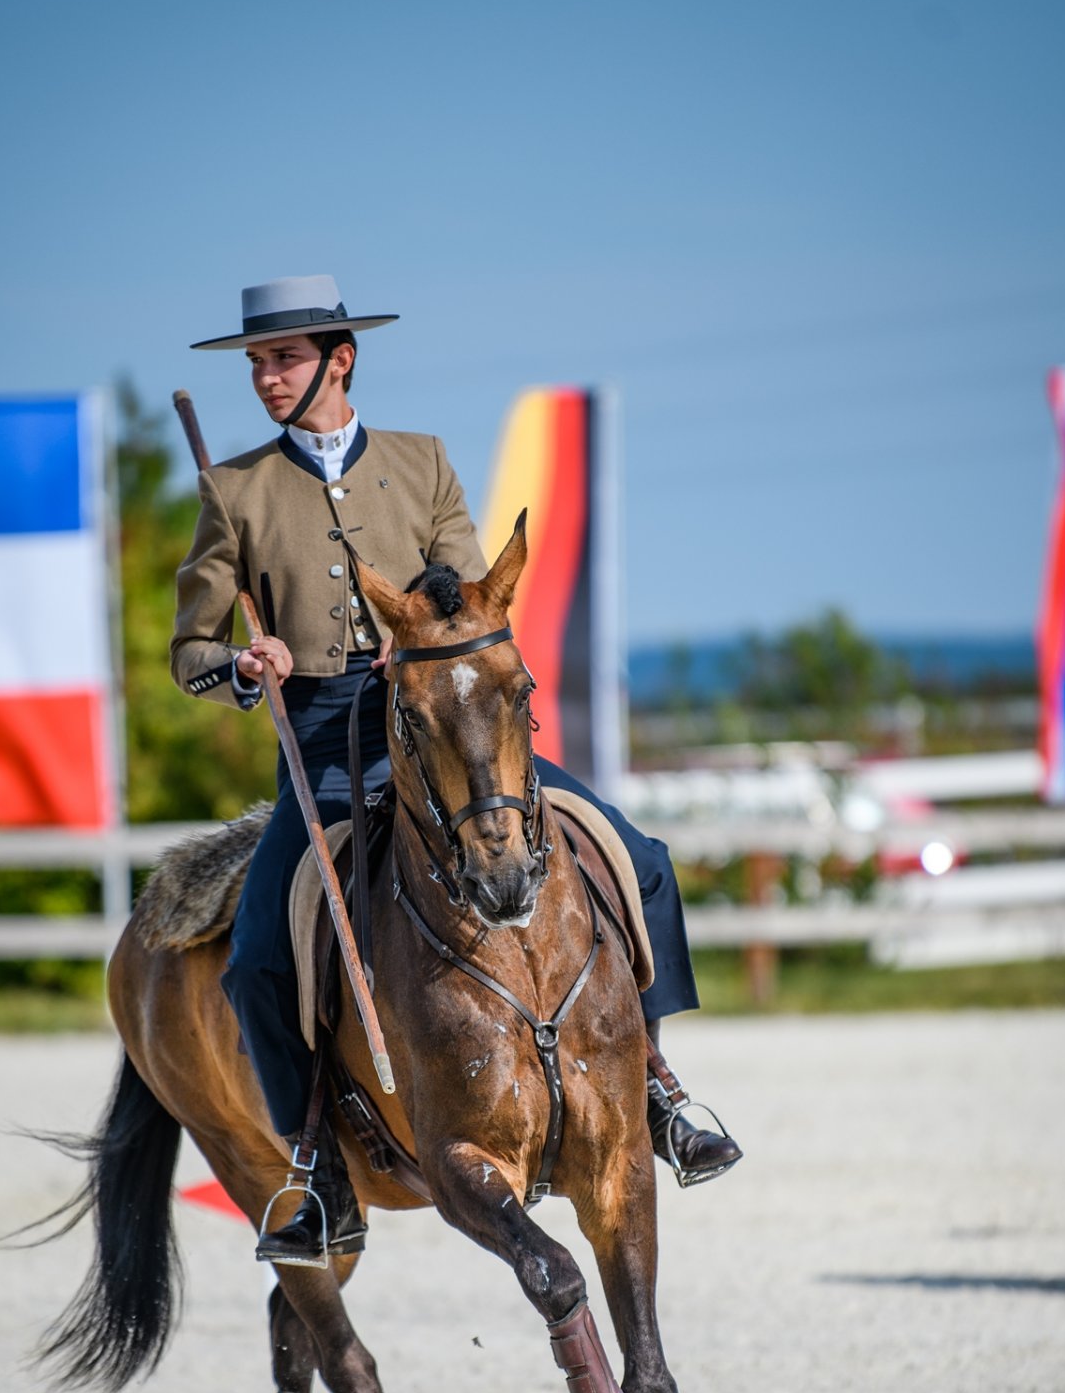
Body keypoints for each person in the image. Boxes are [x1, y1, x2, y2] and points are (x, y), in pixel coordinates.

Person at [172, 276, 740, 1265]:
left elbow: (472, 592)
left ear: (338, 359)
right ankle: (315, 1173)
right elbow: (188, 650)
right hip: (325, 746)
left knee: (636, 856)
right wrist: (241, 667)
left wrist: (452, 656)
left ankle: (657, 1087)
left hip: (451, 721)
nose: (266, 376)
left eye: (284, 358)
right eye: (258, 363)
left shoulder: (420, 462)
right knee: (259, 950)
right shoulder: (234, 490)